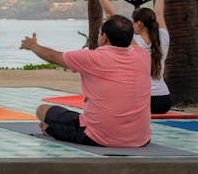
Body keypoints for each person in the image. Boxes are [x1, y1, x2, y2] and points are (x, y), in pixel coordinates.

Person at [21, 15, 151, 148]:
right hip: (140, 138)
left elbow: (52, 56)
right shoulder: (143, 55)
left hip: (99, 137)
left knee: (42, 110)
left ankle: (50, 129)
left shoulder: (93, 58)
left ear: (104, 37)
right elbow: (128, 40)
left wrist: (32, 46)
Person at [93, 0, 171, 114]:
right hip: (164, 100)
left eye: (133, 22)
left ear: (139, 23)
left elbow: (111, 15)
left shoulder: (132, 42)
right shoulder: (163, 37)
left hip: (144, 101)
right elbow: (160, 13)